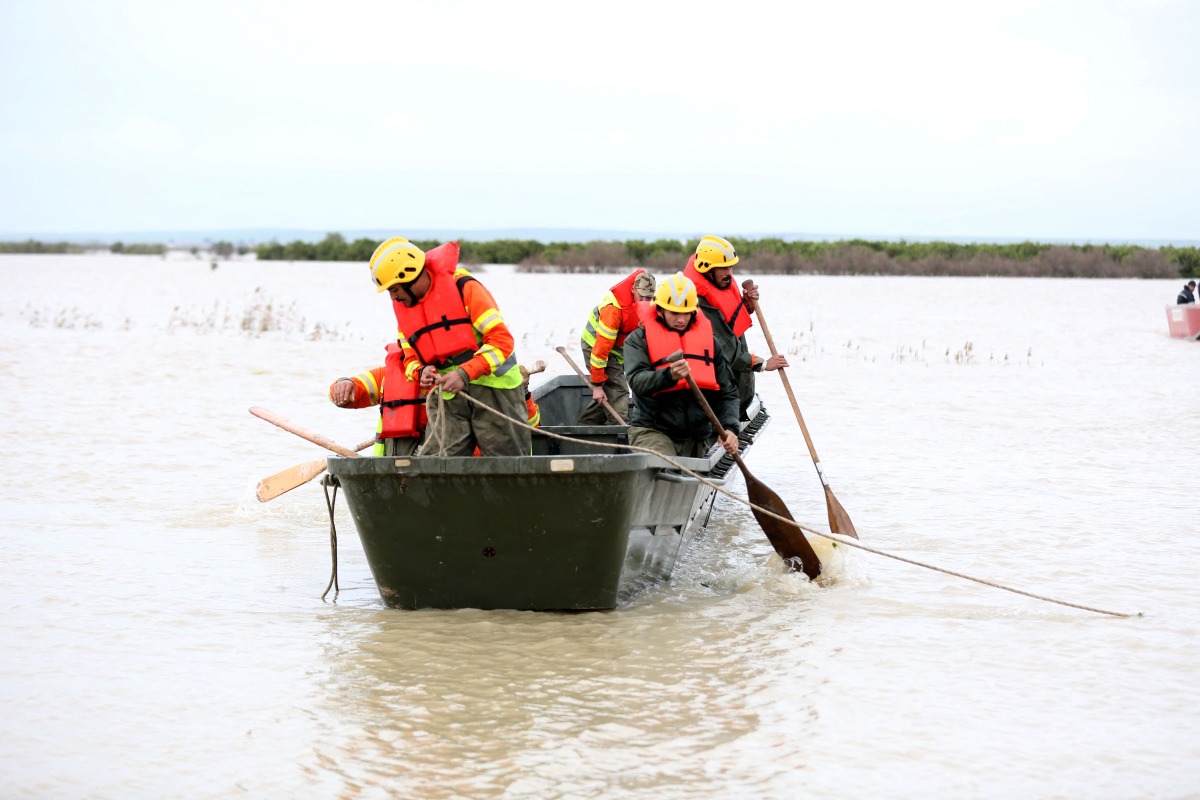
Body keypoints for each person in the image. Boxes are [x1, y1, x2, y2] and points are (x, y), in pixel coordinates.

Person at [370, 236, 531, 457]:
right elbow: (409, 356)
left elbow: (501, 341)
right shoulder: (406, 309)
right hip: (448, 396)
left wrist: (464, 373)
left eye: (394, 289)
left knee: (508, 465)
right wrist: (420, 371)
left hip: (496, 391)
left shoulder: (465, 288)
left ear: (409, 278)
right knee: (435, 466)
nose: (393, 297)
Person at [623, 272, 740, 458]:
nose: (681, 319)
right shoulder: (637, 341)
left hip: (696, 437)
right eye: (674, 313)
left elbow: (728, 393)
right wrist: (668, 376)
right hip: (654, 432)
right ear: (660, 310)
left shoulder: (710, 344)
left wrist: (730, 428)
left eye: (686, 313)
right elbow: (637, 381)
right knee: (660, 464)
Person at [329, 353, 542, 455]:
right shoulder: (392, 375)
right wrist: (343, 385)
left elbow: (530, 429)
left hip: (468, 476)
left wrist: (520, 391)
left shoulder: (478, 375)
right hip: (399, 475)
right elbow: (352, 393)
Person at [682, 235, 788, 419]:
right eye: (723, 268)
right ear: (707, 269)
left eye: (730, 267)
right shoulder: (699, 302)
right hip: (716, 402)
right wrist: (763, 364)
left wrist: (746, 304)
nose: (729, 272)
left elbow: (730, 324)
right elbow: (725, 350)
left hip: (732, 399)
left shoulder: (719, 285)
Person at [578, 269, 656, 424]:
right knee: (619, 391)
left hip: (615, 351)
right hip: (595, 347)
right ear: (633, 289)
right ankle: (619, 438)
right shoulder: (613, 310)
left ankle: (586, 426)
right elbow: (600, 351)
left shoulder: (652, 304)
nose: (645, 302)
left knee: (610, 393)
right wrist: (598, 384)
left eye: (649, 298)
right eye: (641, 297)